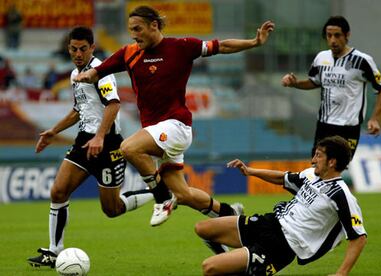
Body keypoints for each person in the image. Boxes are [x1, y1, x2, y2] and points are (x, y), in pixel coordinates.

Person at [74, 5, 275, 228]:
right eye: (131, 29)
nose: (133, 34)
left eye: (138, 29)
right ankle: (231, 214)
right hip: (157, 132)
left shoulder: (182, 47)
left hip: (176, 125)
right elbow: (98, 71)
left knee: (129, 148)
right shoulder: (129, 53)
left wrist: (254, 42)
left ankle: (161, 198)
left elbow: (222, 45)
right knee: (185, 194)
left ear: (154, 25)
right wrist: (88, 76)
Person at [27, 26, 154, 269]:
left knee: (112, 209)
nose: (78, 53)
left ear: (92, 48)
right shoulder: (76, 75)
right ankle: (54, 252)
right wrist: (54, 131)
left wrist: (99, 136)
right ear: (68, 48)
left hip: (108, 145)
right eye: (73, 49)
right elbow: (79, 110)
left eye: (83, 49)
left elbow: (113, 105)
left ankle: (161, 192)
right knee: (58, 192)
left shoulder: (101, 72)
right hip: (84, 141)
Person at [195, 136, 367, 276]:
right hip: (269, 223)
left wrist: (341, 273)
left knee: (209, 268)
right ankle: (242, 266)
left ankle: (245, 266)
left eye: (319, 155)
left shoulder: (342, 196)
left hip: (281, 246)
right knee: (203, 228)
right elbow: (283, 178)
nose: (313, 160)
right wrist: (250, 171)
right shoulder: (310, 175)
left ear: (332, 162)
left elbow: (359, 237)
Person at [281, 16, 381, 157]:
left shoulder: (362, 61)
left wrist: (374, 118)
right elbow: (314, 82)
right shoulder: (321, 58)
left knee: (335, 169)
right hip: (324, 125)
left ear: (347, 35)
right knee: (317, 170)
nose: (332, 40)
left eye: (337, 35)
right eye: (329, 35)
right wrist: (295, 83)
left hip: (348, 129)